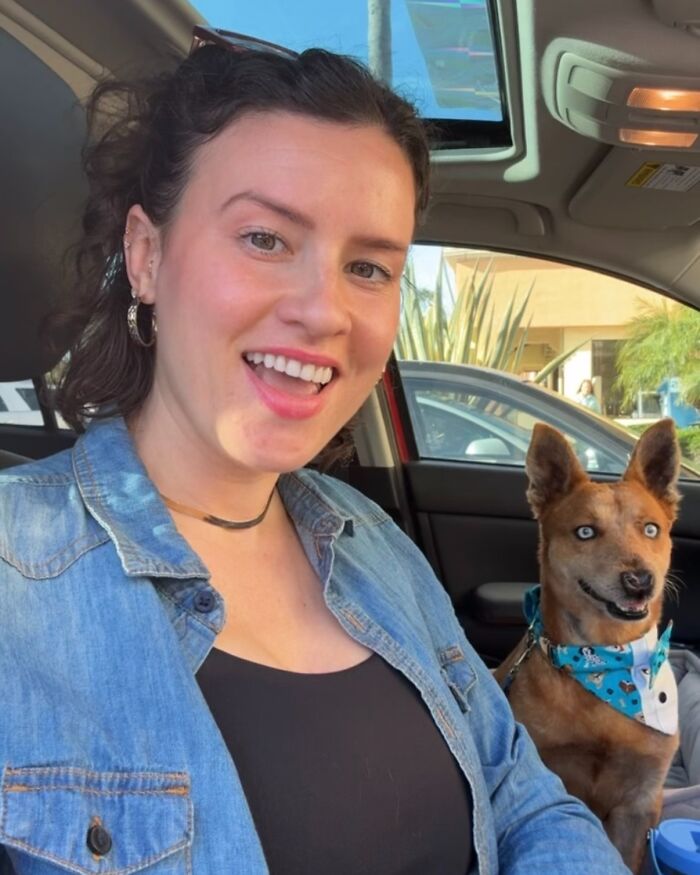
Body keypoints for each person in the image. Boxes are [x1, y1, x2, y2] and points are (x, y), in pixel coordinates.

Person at [0, 27, 630, 874]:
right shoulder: (16, 573)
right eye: (265, 238)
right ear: (146, 255)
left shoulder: (370, 538)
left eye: (368, 267)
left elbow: (520, 793)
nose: (325, 310)